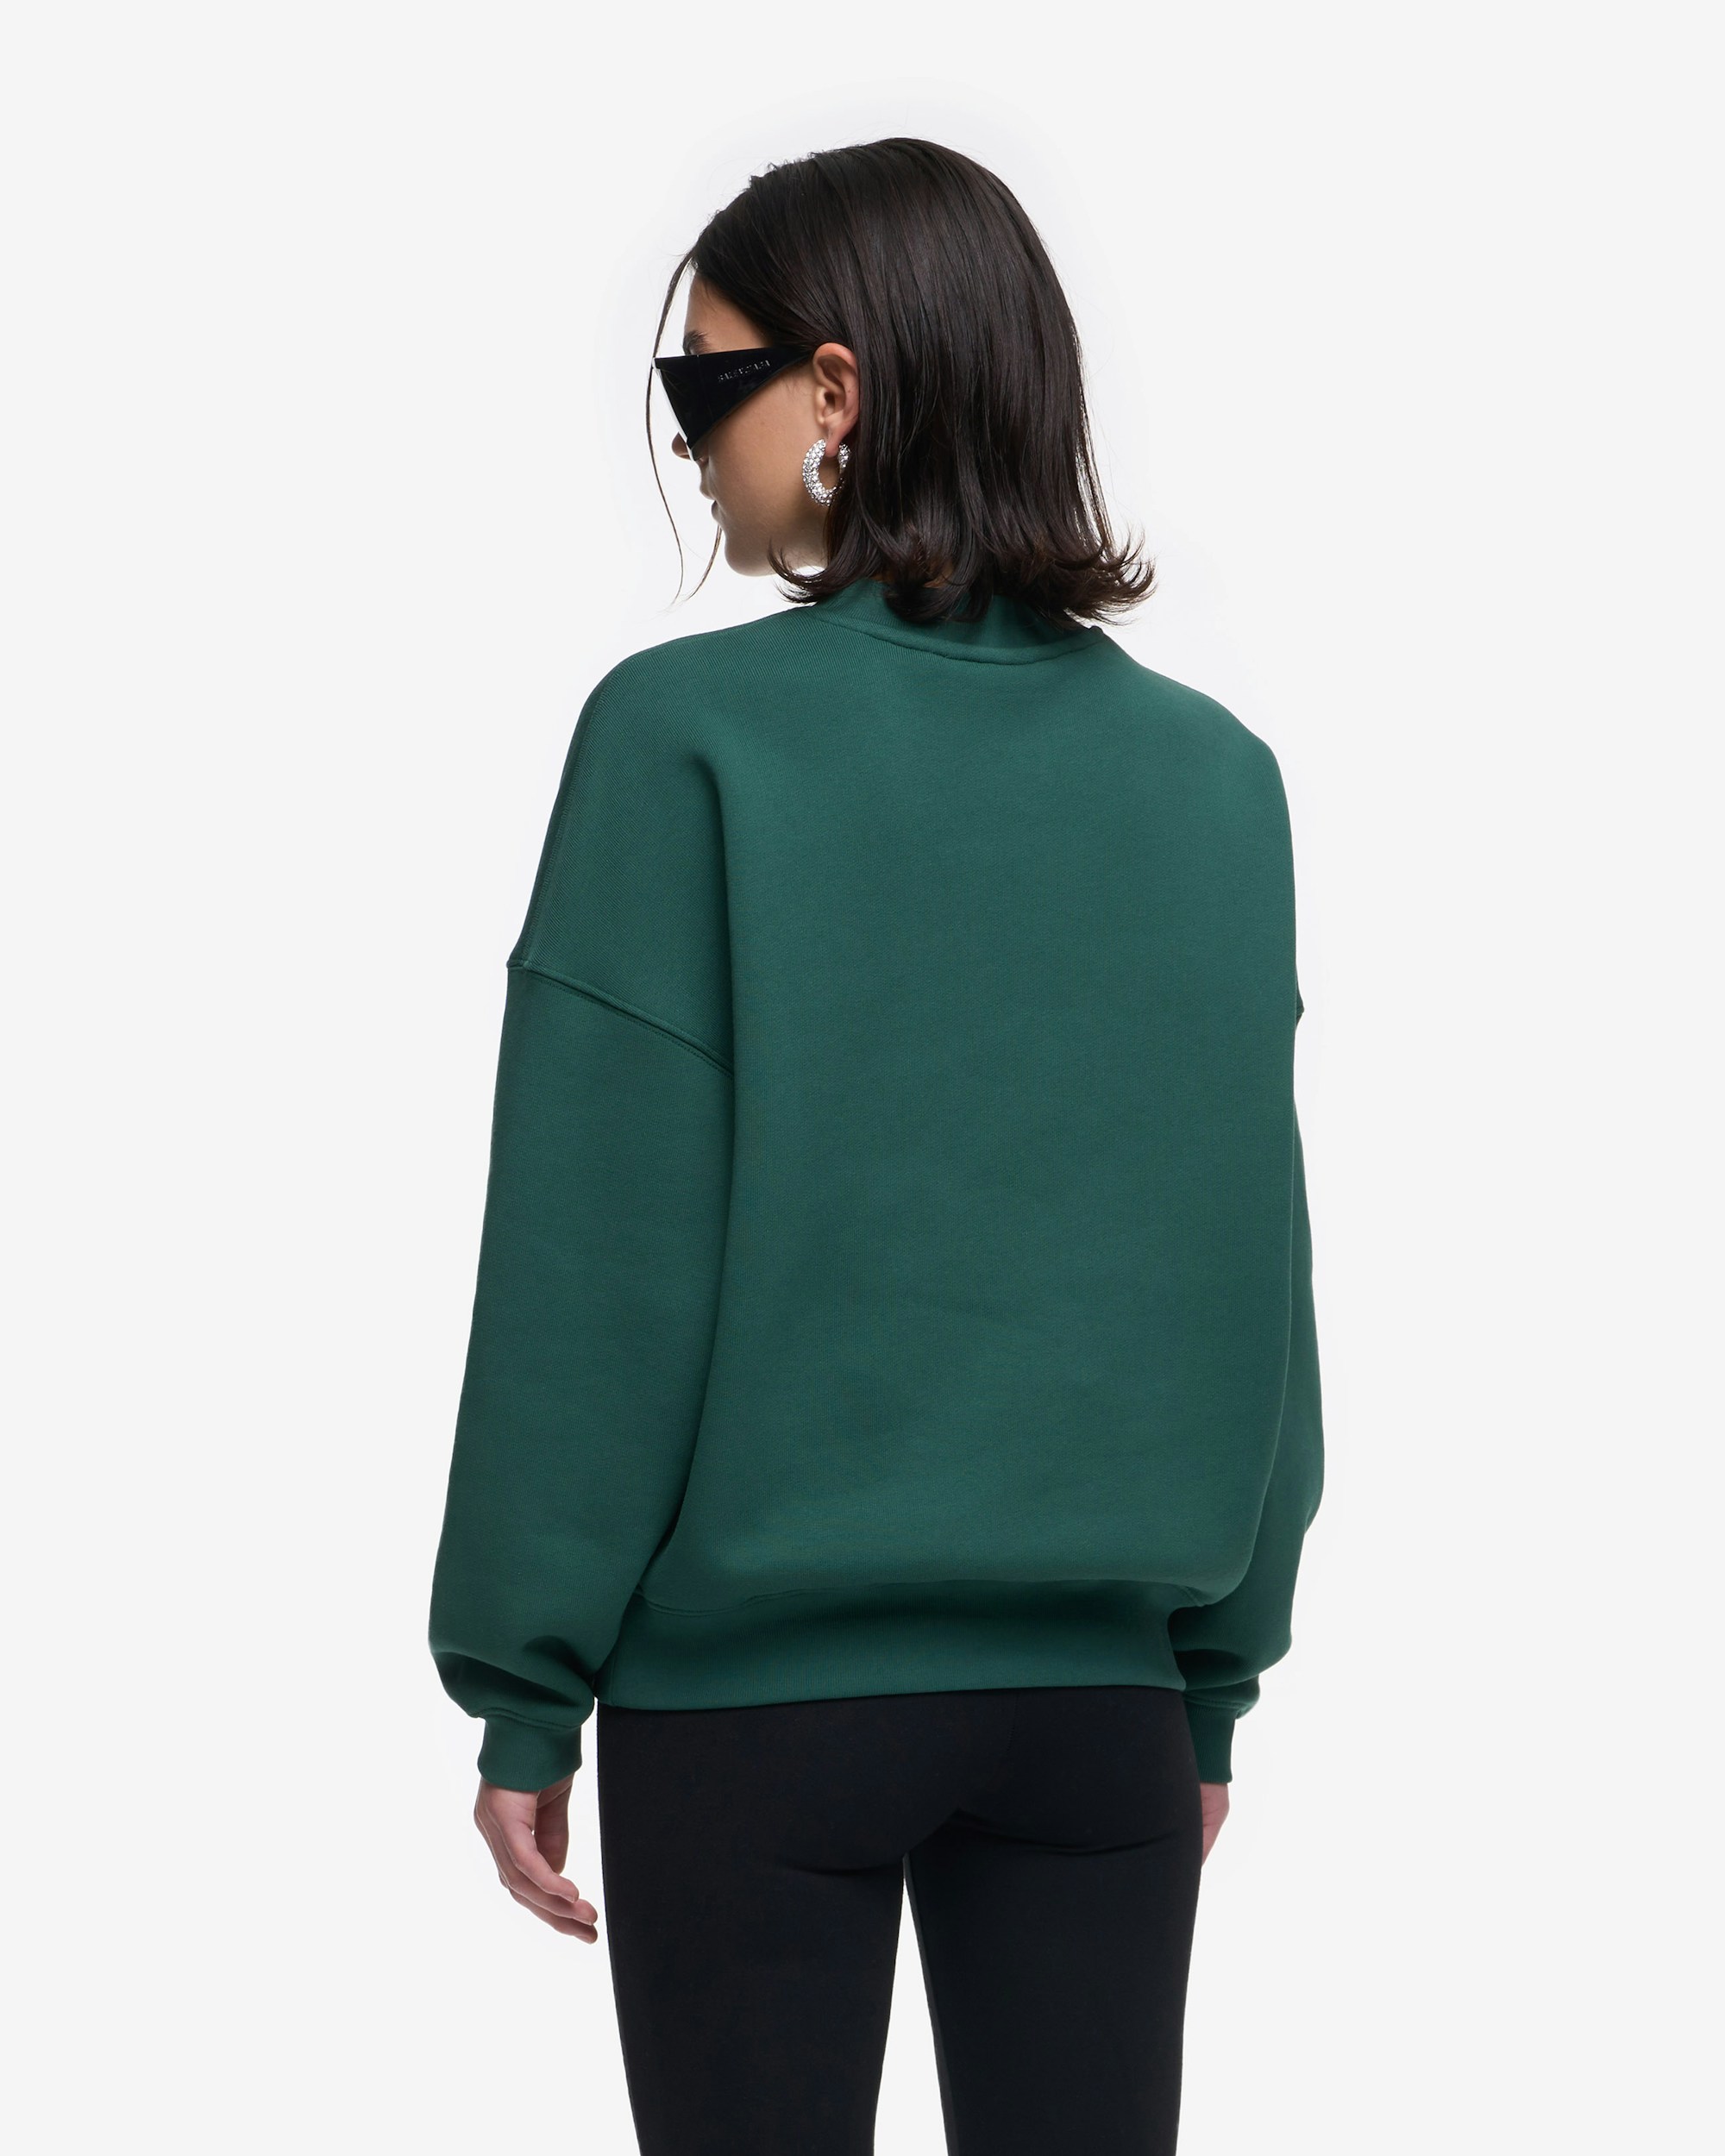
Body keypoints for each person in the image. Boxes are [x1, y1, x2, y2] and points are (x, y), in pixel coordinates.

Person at [429, 136, 1323, 2156]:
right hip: (1096, 1718)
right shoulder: (1216, 783)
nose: (686, 447)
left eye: (703, 385)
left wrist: (525, 1681)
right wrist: (1210, 1677)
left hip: (756, 1712)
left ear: (834, 392)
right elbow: (1249, 1270)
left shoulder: (682, 740)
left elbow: (598, 1263)